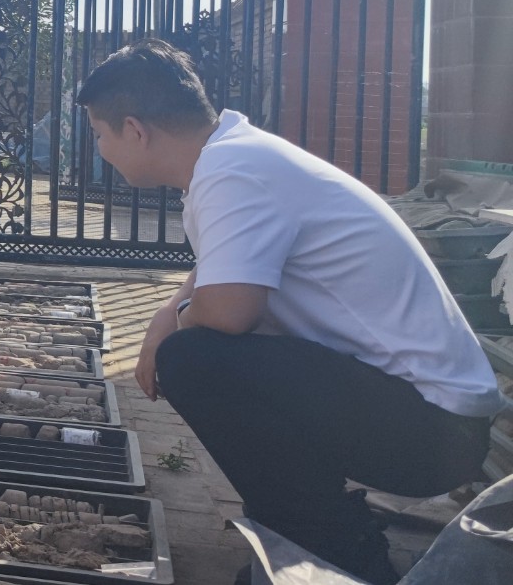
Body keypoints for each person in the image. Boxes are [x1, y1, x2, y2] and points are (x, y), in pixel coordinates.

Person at [78, 39, 497, 585]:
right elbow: (218, 271)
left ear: (135, 130)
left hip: (430, 431)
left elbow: (228, 313)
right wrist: (166, 313)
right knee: (190, 343)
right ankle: (309, 532)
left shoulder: (234, 170)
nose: (101, 149)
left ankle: (336, 552)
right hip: (427, 415)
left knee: (194, 360)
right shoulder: (237, 157)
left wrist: (168, 334)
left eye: (99, 134)